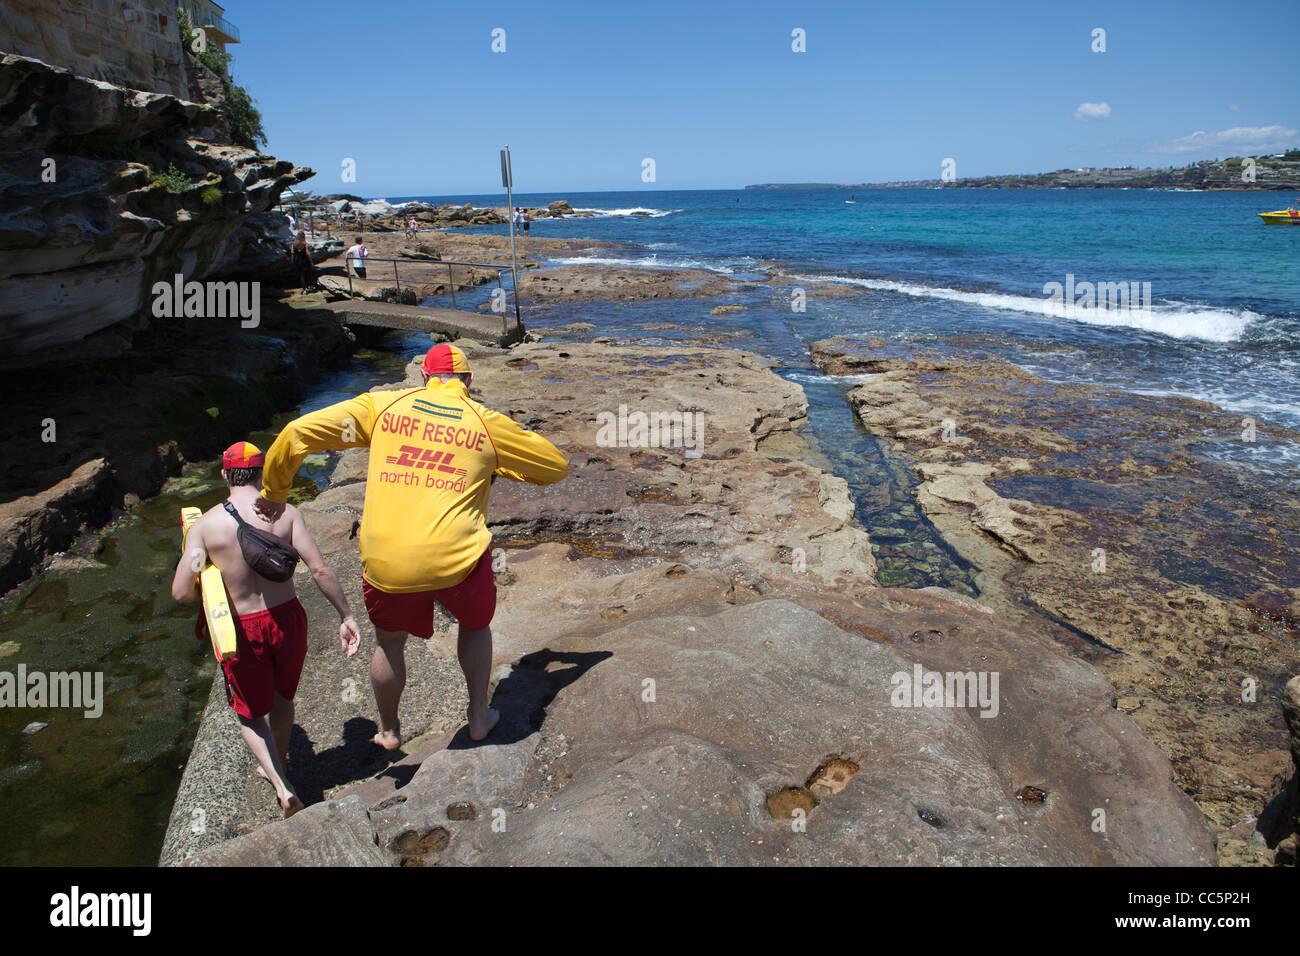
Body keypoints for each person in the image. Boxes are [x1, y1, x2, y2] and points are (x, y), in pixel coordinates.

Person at [258, 344, 568, 748]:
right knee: (475, 627)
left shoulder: (381, 407)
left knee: (388, 642)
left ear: (424, 376)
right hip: (458, 561)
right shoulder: (485, 422)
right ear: (469, 381)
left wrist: (276, 491)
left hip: (390, 563)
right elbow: (555, 467)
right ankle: (478, 717)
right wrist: (500, 462)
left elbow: (298, 432)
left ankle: (389, 731)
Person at [171, 442, 362, 817]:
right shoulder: (286, 513)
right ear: (261, 474)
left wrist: (209, 575)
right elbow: (320, 568)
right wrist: (346, 615)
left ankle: (280, 784)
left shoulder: (207, 526)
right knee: (282, 700)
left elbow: (180, 592)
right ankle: (282, 763)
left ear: (225, 475)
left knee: (250, 713)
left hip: (244, 628)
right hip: (289, 620)